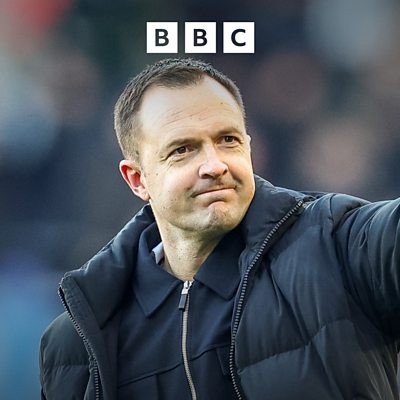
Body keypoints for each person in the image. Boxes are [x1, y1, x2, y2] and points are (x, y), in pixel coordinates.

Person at [39, 58, 400, 400]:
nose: (214, 165)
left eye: (228, 140)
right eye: (183, 149)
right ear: (137, 179)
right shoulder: (75, 344)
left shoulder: (336, 241)